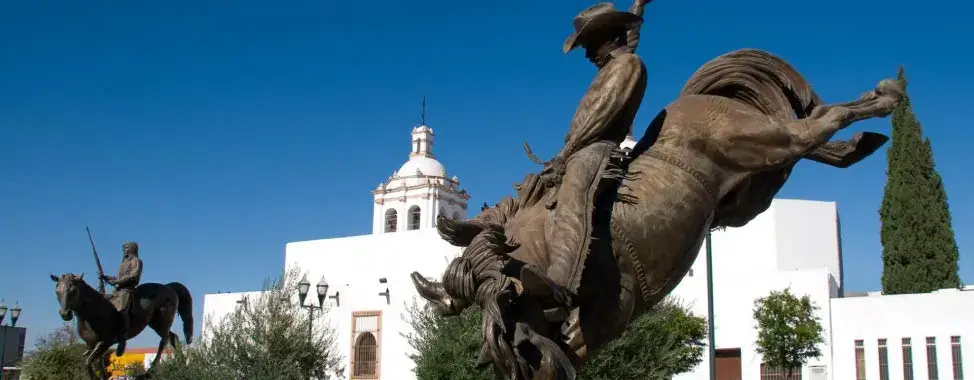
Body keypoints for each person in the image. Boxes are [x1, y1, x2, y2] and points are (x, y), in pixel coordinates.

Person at [540, 2, 649, 294]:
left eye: (590, 46)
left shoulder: (627, 66)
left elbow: (601, 115)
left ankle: (561, 281)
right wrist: (637, 8)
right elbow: (631, 38)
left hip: (595, 148)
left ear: (610, 39)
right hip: (582, 146)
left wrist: (566, 153)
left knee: (575, 191)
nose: (588, 55)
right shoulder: (618, 64)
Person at [101, 241, 143, 356]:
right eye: (124, 248)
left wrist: (117, 282)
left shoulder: (137, 261)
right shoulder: (122, 263)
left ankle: (123, 339)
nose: (124, 250)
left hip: (128, 290)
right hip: (118, 291)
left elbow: (133, 276)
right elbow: (118, 278)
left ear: (132, 249)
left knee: (122, 310)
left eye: (126, 248)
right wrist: (106, 277)